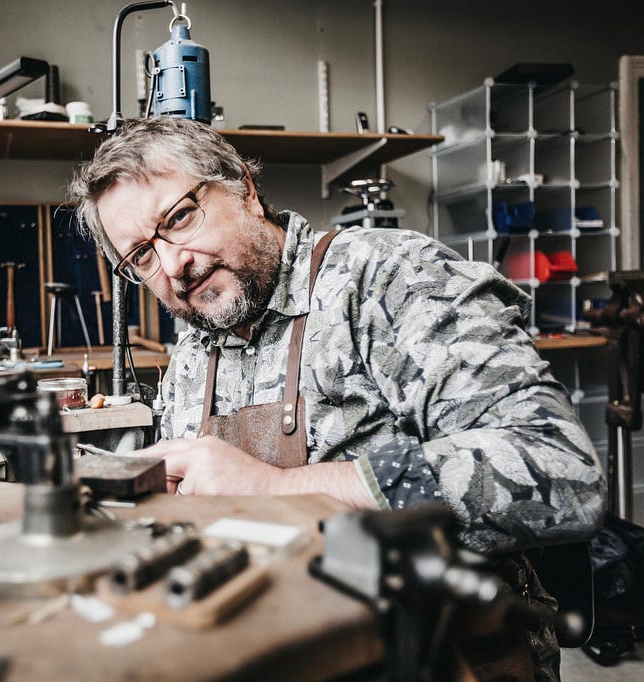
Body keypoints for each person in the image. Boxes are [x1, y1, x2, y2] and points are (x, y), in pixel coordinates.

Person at [69, 117, 605, 679]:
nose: (175, 265)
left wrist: (281, 489)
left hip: (441, 652)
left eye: (178, 218)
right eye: (142, 257)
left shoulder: (389, 278)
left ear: (243, 190)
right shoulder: (193, 349)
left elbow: (561, 469)